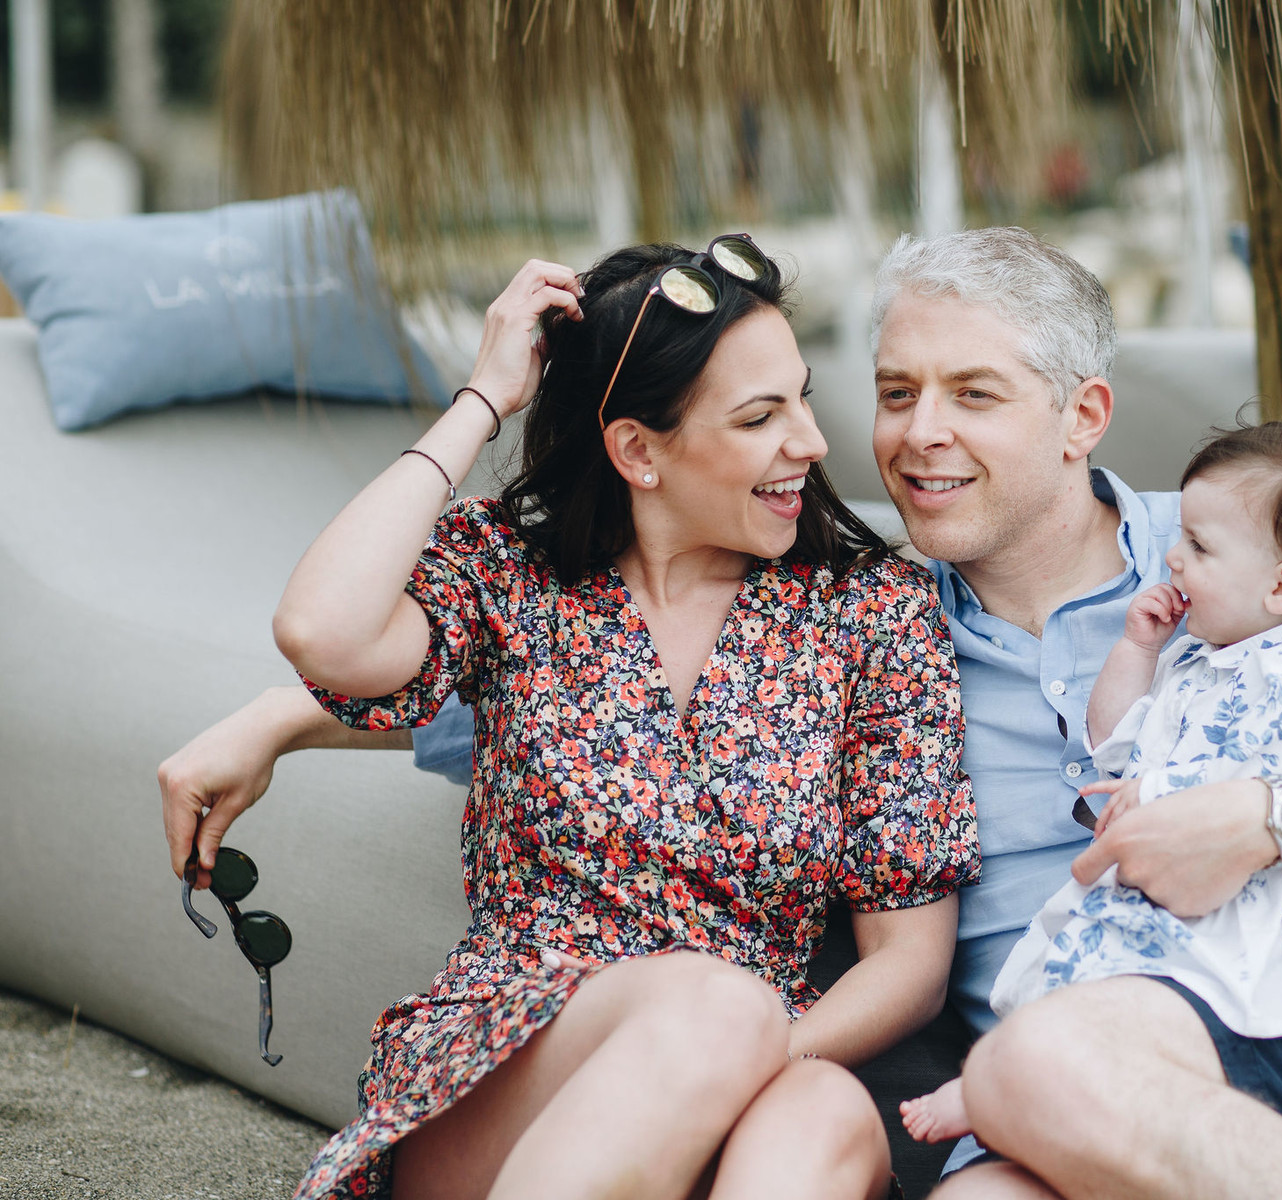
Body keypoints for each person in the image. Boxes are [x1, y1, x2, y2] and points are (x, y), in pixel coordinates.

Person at [164, 226, 1282, 1200]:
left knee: (974, 1089)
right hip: (1016, 1084)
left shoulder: (1223, 576)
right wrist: (282, 715)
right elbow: (463, 692)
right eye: (897, 389)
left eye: (975, 395)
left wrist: (1265, 820)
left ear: (1084, 414)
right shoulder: (802, 619)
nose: (910, 434)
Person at [161, 242, 979, 1200]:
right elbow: (322, 631)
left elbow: (910, 965)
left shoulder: (869, 608)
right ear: (637, 450)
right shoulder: (512, 571)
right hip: (512, 1065)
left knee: (826, 1114)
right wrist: (482, 400)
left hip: (762, 1053)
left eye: (801, 397)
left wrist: (743, 1060)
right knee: (721, 1009)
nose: (812, 440)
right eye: (762, 416)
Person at [899, 420, 1282, 1147]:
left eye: (1198, 548)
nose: (1172, 555)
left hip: (1229, 907)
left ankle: (993, 1089)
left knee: (1129, 1009)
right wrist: (1138, 649)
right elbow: (1115, 739)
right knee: (1076, 980)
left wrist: (1164, 795)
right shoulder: (1199, 657)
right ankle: (1005, 1081)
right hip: (1149, 894)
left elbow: (1276, 768)